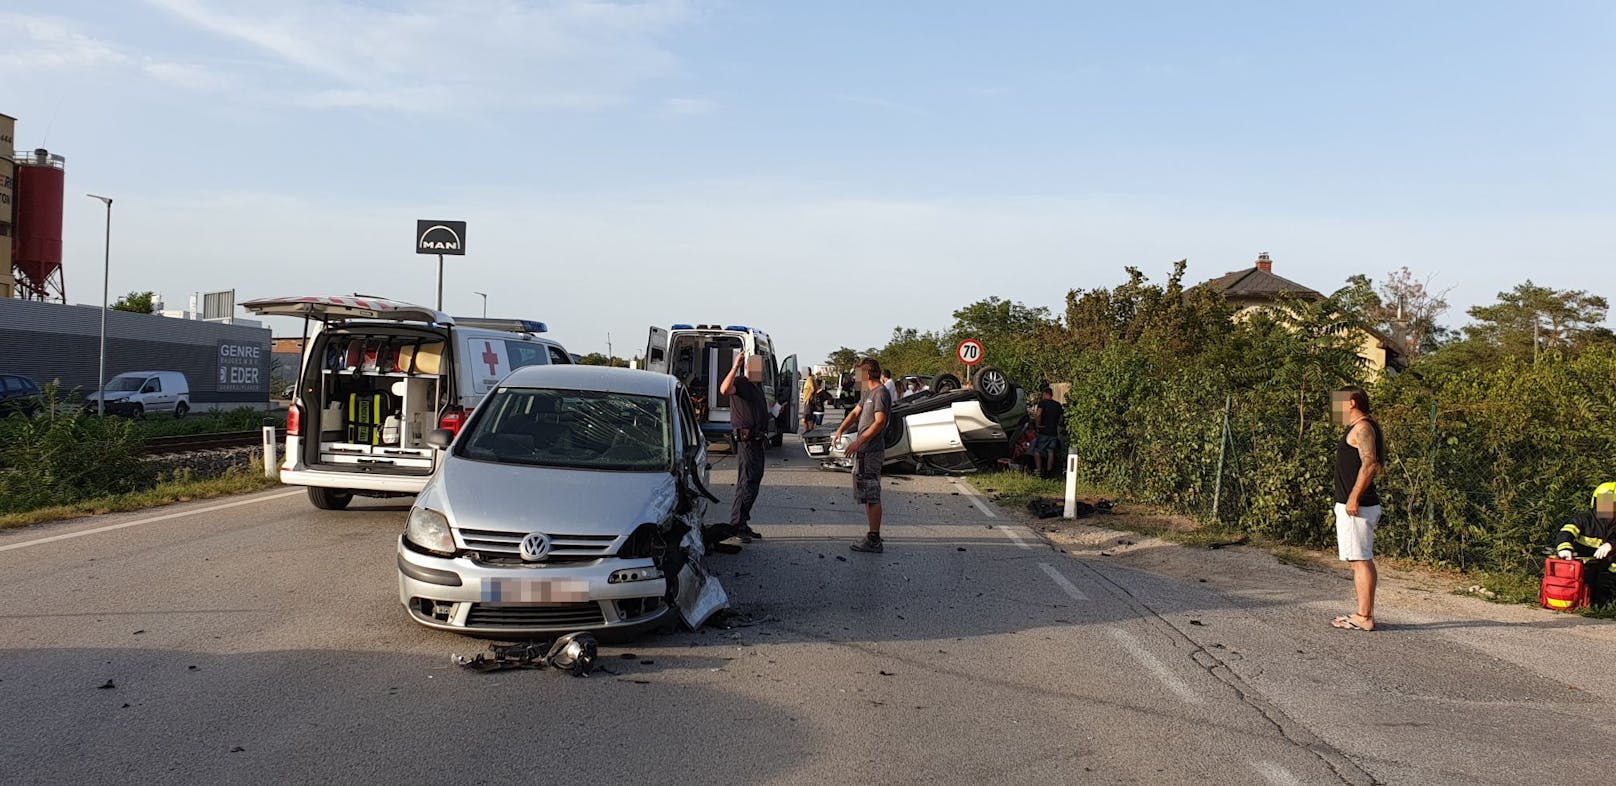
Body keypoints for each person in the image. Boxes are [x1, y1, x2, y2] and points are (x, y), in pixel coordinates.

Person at [1330, 386, 1384, 632]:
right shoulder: (1358, 427)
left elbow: (1370, 464)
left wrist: (1353, 498)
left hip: (1358, 507)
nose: (1335, 407)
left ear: (1351, 402)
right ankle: (1363, 613)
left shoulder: (1363, 428)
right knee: (1357, 559)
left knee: (1360, 559)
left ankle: (1364, 616)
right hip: (1353, 505)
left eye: (1338, 401)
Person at [833, 358, 892, 553]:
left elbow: (879, 421)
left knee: (872, 494)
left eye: (858, 374)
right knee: (866, 494)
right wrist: (841, 429)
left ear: (866, 374)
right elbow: (855, 413)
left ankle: (874, 538)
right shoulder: (868, 393)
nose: (856, 378)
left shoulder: (880, 393)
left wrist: (859, 441)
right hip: (864, 452)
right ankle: (871, 535)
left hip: (871, 451)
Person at [716, 350, 769, 544]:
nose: (757, 370)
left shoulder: (757, 387)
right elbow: (723, 389)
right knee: (746, 482)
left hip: (757, 440)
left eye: (759, 367)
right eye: (754, 366)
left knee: (753, 482)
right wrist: (734, 367)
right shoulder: (740, 383)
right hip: (746, 441)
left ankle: (743, 523)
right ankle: (737, 525)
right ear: (747, 367)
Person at [1553, 482, 1616, 605]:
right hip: (1585, 566)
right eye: (1604, 502)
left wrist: (1611, 545)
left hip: (1609, 567)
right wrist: (1565, 548)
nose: (1607, 507)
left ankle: (1606, 605)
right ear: (1596, 502)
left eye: (1612, 504)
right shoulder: (1584, 519)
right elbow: (1566, 532)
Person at [1031, 385, 1064, 479]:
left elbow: (1038, 414)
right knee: (1051, 452)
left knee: (1037, 451)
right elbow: (1061, 419)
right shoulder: (1058, 405)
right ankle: (1049, 472)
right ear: (1052, 394)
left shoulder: (1042, 403)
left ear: (1045, 394)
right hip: (1053, 431)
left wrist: (1037, 425)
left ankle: (1039, 470)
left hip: (1043, 431)